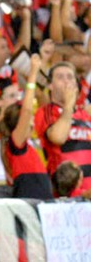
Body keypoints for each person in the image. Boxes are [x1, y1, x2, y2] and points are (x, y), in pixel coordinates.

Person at [0, 54, 52, 199]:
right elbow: (27, 110)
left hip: (40, 198)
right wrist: (32, 74)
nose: (32, 121)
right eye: (30, 119)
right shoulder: (16, 142)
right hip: (28, 199)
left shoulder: (25, 144)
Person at [35, 61, 91, 195]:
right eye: (60, 77)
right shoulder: (46, 112)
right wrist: (68, 107)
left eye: (70, 77)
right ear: (50, 85)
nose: (66, 81)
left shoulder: (84, 114)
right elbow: (58, 138)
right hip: (64, 194)